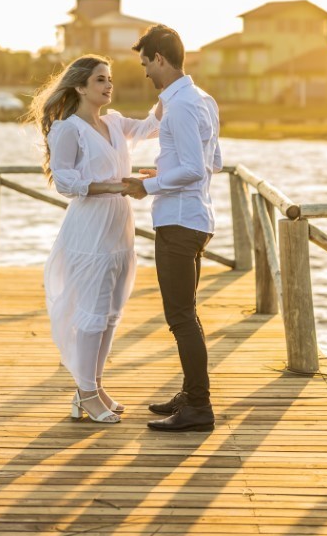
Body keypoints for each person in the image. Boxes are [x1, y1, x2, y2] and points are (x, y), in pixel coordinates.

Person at [29, 54, 161, 424]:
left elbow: (152, 125)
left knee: (110, 313)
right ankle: (86, 393)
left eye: (110, 79)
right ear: (80, 87)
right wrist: (115, 186)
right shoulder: (67, 129)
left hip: (119, 224)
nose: (108, 85)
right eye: (100, 79)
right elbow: (65, 181)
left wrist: (172, 88)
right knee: (92, 312)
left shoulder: (115, 123)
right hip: (90, 227)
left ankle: (92, 388)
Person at [122, 24, 222, 432]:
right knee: (187, 315)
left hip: (179, 222)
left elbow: (195, 168)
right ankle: (191, 394)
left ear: (159, 59)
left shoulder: (179, 106)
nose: (145, 71)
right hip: (196, 218)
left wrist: (147, 185)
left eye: (146, 63)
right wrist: (162, 171)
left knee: (180, 317)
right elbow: (213, 162)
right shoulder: (203, 99)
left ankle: (199, 407)